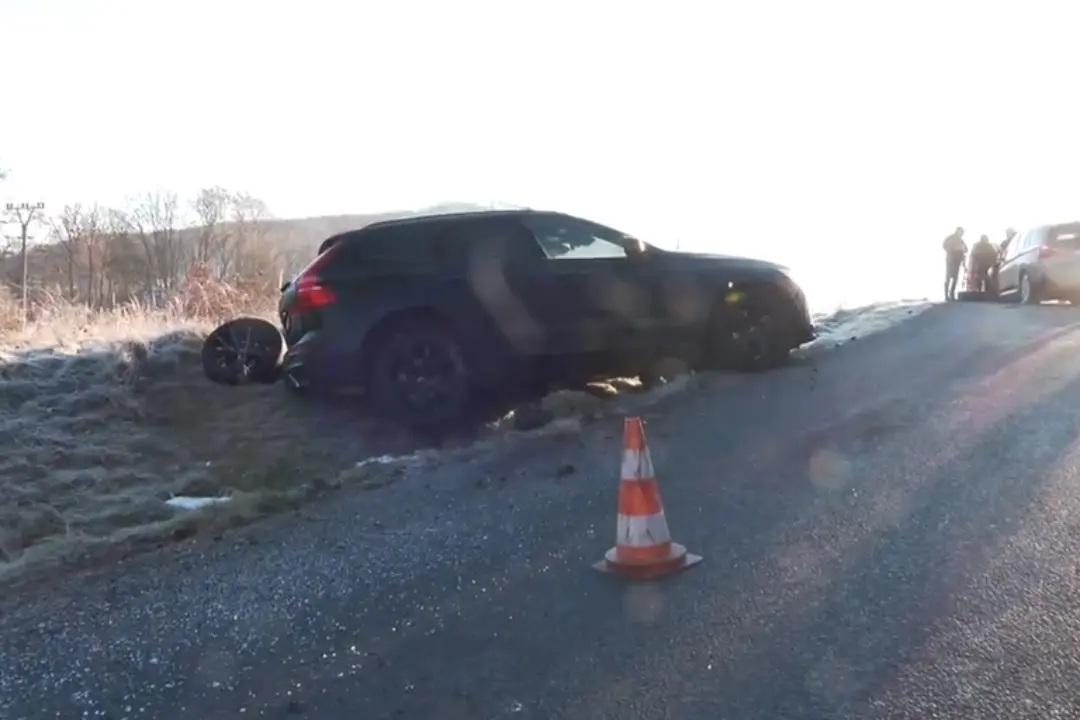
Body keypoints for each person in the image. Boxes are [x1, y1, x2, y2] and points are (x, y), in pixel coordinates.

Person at [942, 226, 968, 301]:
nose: (961, 234)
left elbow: (966, 249)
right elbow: (944, 245)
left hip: (957, 260)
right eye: (961, 233)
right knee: (948, 277)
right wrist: (953, 248)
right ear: (957, 231)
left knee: (955, 278)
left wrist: (962, 249)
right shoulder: (950, 238)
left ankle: (952, 294)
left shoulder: (961, 240)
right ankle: (946, 294)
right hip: (950, 260)